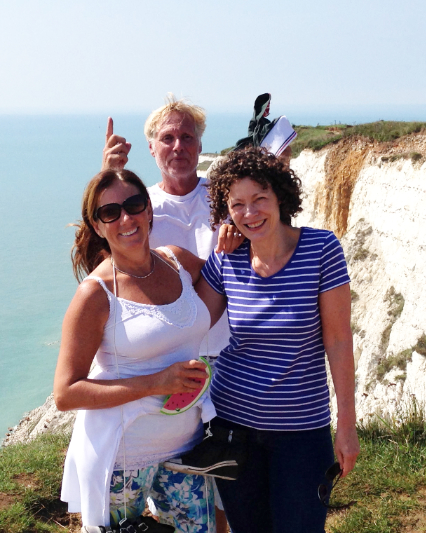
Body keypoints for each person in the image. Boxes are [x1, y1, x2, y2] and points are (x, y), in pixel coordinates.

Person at [195, 147, 360, 533]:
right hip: (232, 426)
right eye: (238, 205)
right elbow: (190, 321)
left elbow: (338, 341)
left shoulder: (321, 249)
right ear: (226, 211)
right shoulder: (227, 258)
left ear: (280, 197)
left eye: (259, 200)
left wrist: (347, 425)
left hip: (302, 432)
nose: (250, 213)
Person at [102, 95, 240, 533]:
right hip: (173, 362)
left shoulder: (226, 199)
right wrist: (106, 176)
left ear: (200, 146)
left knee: (222, 484)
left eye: (187, 137)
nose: (177, 146)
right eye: (167, 137)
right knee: (182, 480)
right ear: (151, 148)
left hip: (231, 354)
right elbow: (103, 265)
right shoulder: (138, 209)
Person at [56, 169, 216, 532]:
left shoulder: (176, 261)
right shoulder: (95, 295)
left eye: (133, 205)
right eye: (109, 212)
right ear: (97, 226)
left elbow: (216, 296)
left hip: (187, 449)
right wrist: (156, 383)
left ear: (149, 211)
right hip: (120, 459)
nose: (125, 218)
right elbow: (65, 394)